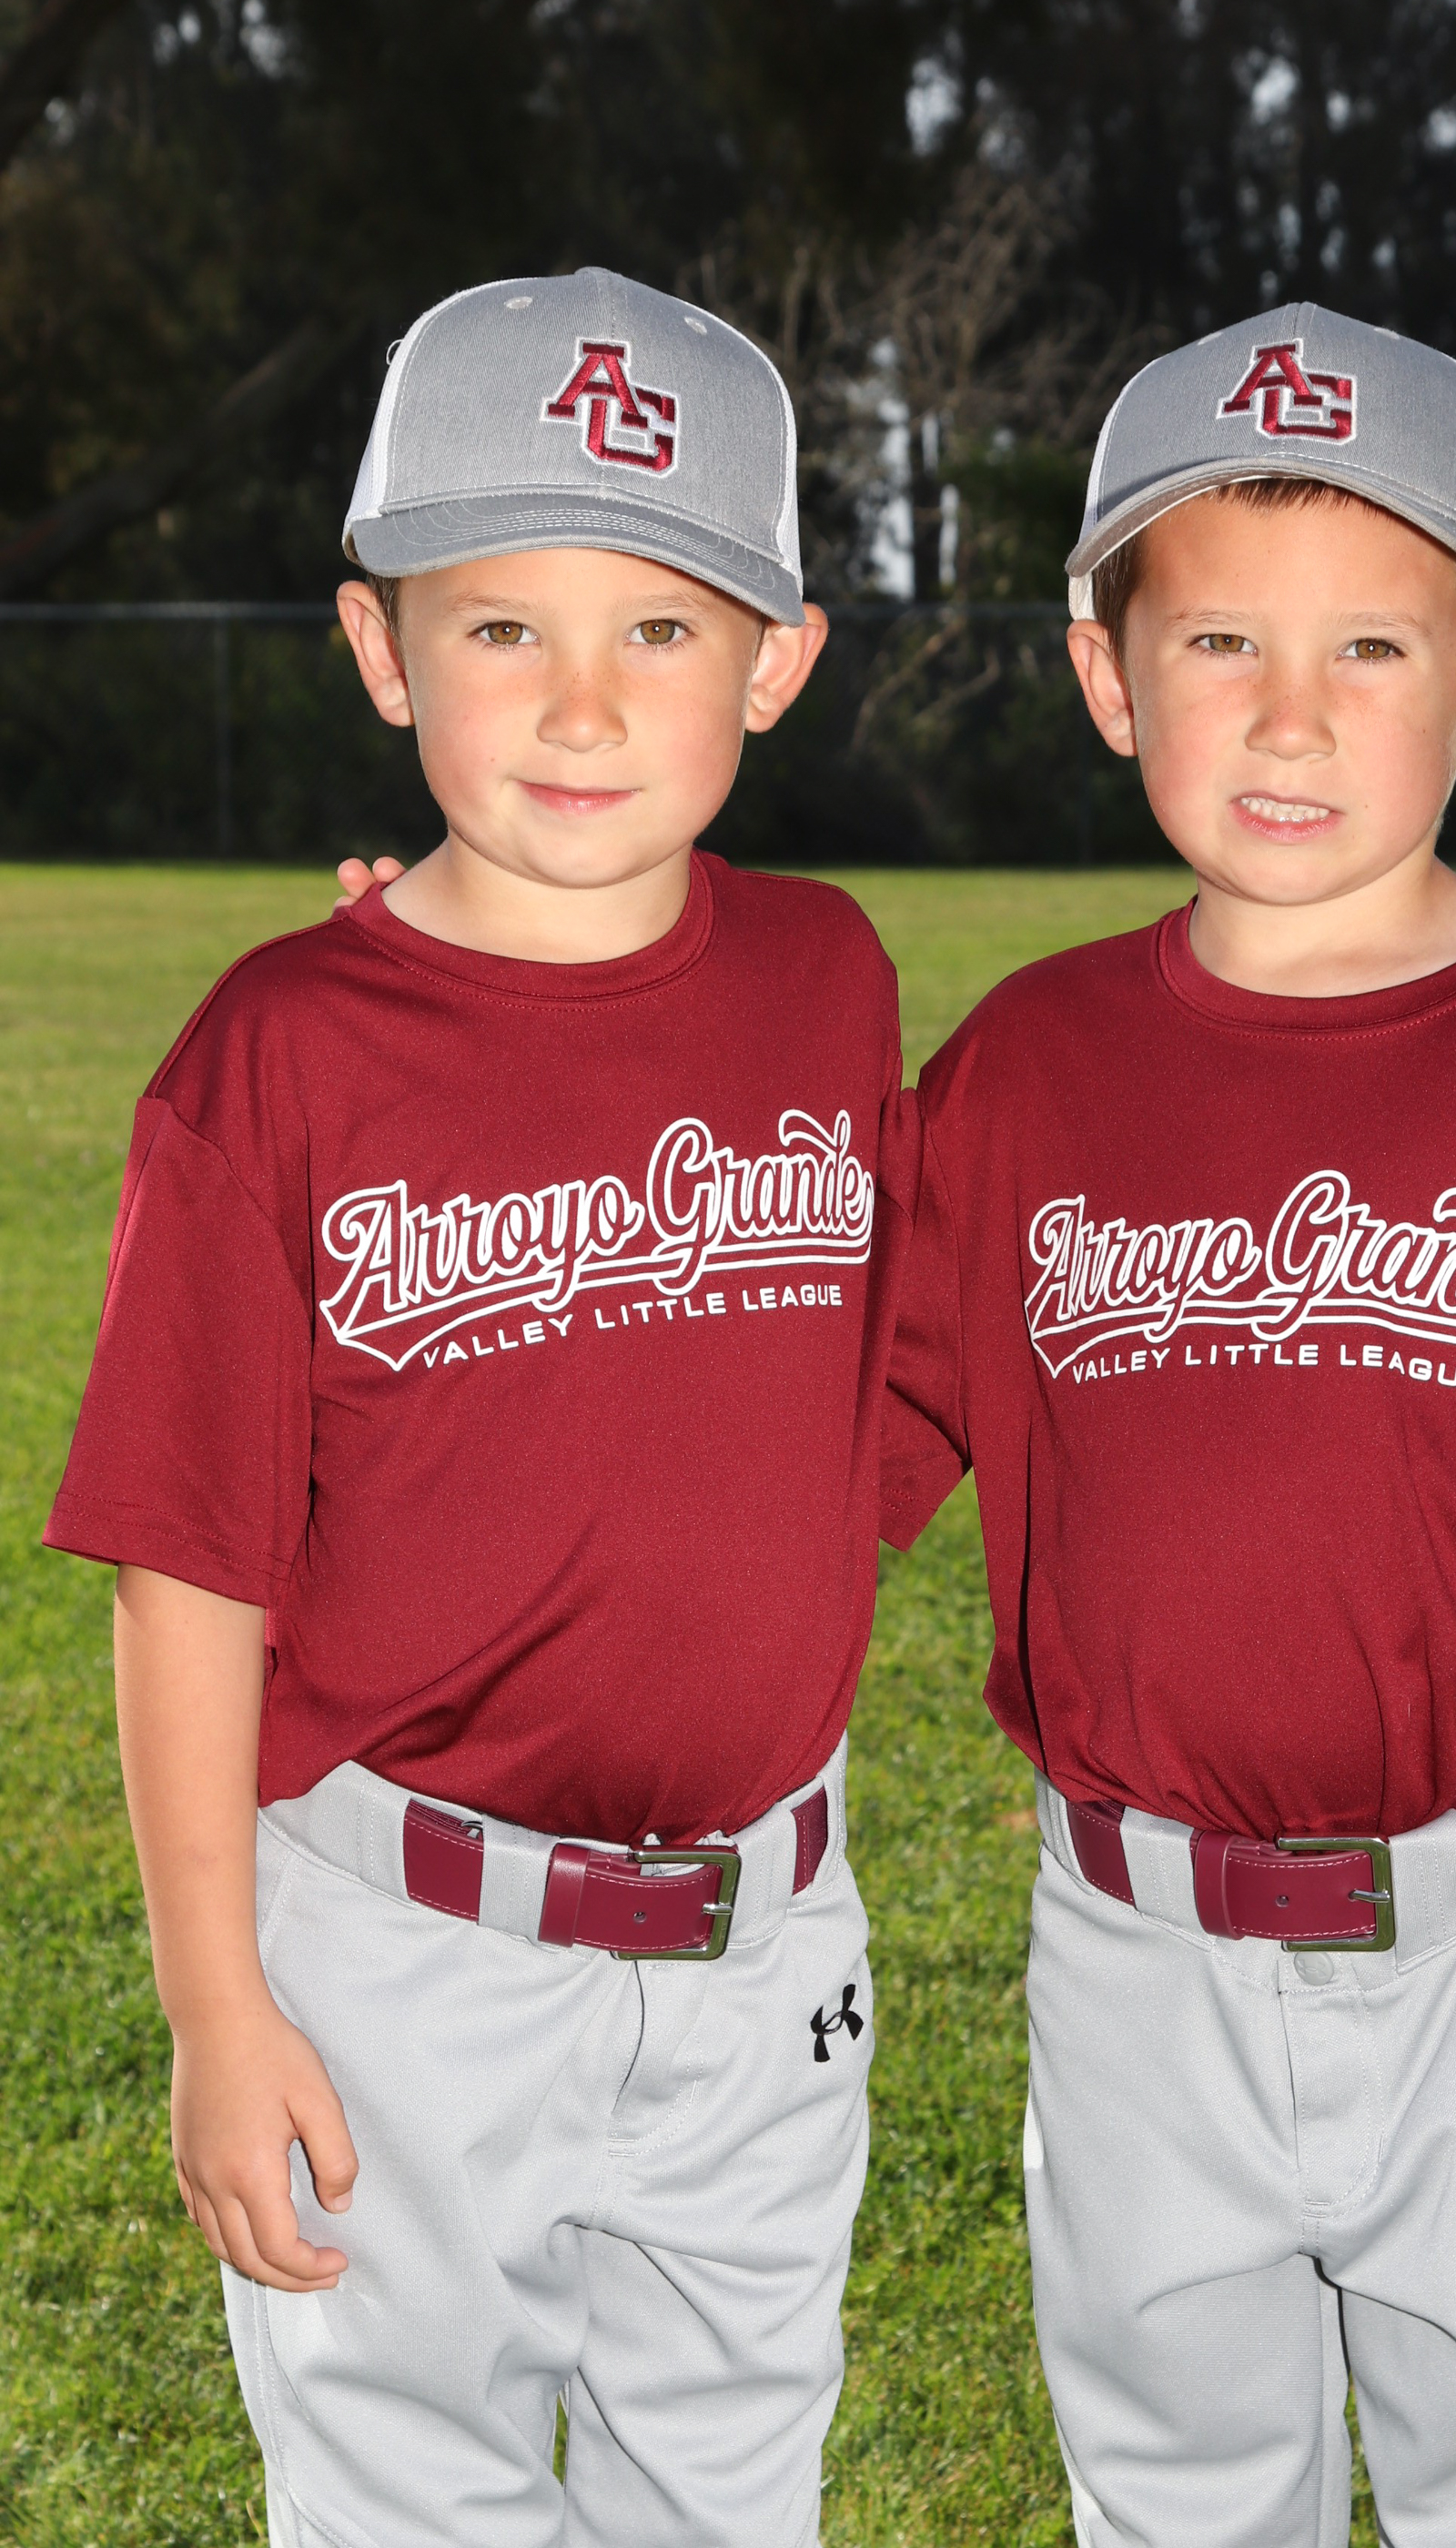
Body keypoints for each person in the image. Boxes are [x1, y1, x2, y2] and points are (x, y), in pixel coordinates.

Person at [46, 268, 918, 2548]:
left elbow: (886, 1378)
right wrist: (217, 2007)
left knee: (730, 2506)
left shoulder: (827, 976)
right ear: (382, 649)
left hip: (760, 1948)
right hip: (401, 1960)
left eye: (662, 626)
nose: (583, 700)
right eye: (502, 625)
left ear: (777, 662)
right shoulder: (276, 1055)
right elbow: (186, 1569)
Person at [881, 305, 1456, 2546]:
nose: (1290, 715)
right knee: (1173, 2498)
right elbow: (776, 1418)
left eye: (1372, 645)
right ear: (1106, 677)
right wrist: (512, 1024)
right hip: (1132, 1948)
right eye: (1219, 642)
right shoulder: (1025, 1066)